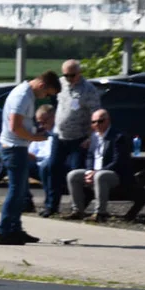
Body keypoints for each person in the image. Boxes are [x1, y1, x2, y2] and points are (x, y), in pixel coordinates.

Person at [0, 71, 61, 245]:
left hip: (18, 147)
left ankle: (15, 228)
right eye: (47, 94)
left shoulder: (27, 94)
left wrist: (33, 132)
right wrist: (34, 138)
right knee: (16, 191)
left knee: (21, 191)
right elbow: (15, 126)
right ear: (42, 85)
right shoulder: (22, 96)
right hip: (13, 148)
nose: (44, 98)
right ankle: (4, 231)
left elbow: (21, 125)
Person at [46, 59, 100, 216]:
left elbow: (95, 114)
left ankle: (78, 207)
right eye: (66, 75)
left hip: (79, 137)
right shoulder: (60, 84)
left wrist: (91, 136)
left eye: (72, 75)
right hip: (60, 135)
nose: (69, 78)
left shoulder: (88, 90)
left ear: (79, 73)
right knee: (52, 168)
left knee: (76, 173)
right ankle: (51, 205)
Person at [65, 109, 133, 222]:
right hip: (95, 171)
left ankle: (100, 213)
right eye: (94, 122)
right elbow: (90, 156)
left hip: (114, 174)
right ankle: (77, 210)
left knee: (100, 176)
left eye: (100, 121)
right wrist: (88, 171)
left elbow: (118, 161)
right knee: (73, 175)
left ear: (108, 121)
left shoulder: (118, 137)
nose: (96, 124)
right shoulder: (94, 137)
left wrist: (96, 172)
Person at [23, 105, 56, 213]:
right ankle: (26, 200)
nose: (41, 125)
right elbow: (32, 152)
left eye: (44, 122)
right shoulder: (40, 133)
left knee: (46, 166)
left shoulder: (58, 134)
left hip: (52, 164)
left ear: (53, 118)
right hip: (39, 164)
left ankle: (49, 204)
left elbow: (56, 155)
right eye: (39, 122)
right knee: (19, 161)